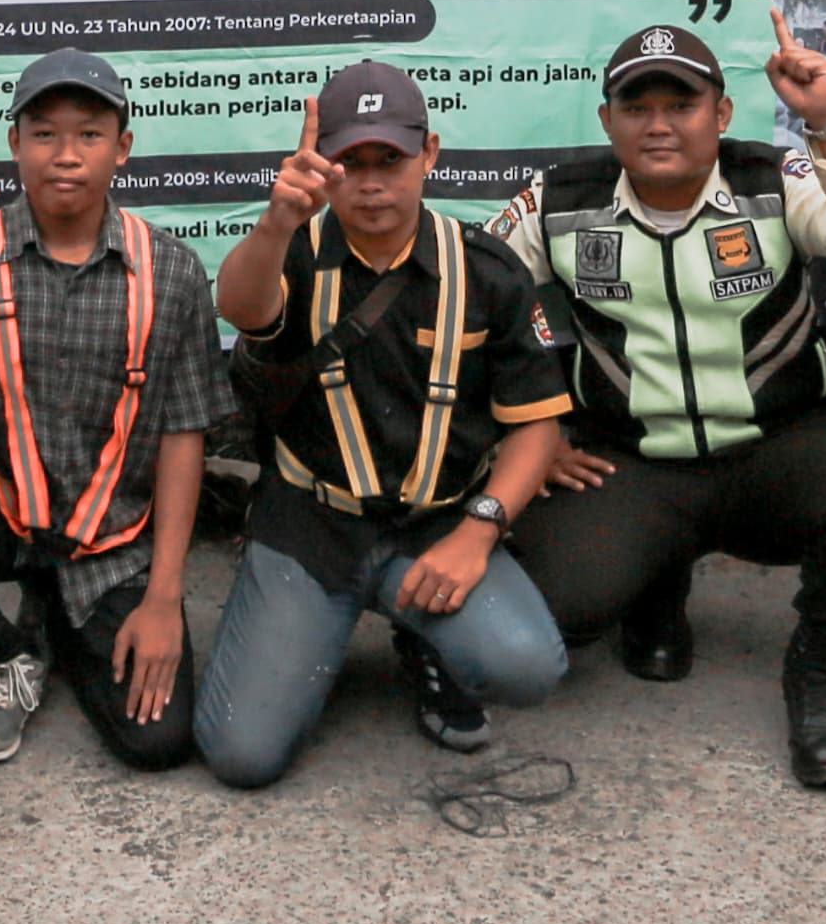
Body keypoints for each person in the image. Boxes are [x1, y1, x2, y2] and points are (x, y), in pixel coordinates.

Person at [492, 18, 826, 790]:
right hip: (631, 460)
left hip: (777, 449)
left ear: (720, 115)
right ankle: (655, 590)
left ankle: (821, 670)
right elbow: (474, 305)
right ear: (607, 120)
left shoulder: (775, 177)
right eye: (636, 106)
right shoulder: (557, 199)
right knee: (559, 604)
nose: (658, 123)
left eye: (681, 104)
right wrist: (531, 427)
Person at [194, 60, 575, 783]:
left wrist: (481, 527)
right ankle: (315, 632)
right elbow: (242, 308)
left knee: (526, 666)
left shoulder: (486, 270)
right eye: (349, 161)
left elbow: (537, 424)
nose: (370, 182)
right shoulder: (294, 251)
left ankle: (423, 638)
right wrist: (279, 217)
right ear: (322, 164)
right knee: (243, 755)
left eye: (390, 159)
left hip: (436, 523)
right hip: (313, 523)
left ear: (429, 153)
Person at [0, 53, 219, 771]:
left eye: (89, 134)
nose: (66, 155)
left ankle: (59, 615)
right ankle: (6, 656)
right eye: (44, 133)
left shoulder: (173, 270)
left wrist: (163, 599)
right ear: (15, 145)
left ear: (122, 148)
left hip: (114, 538)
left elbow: (184, 436)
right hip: (7, 510)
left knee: (156, 743)